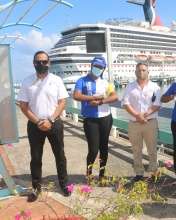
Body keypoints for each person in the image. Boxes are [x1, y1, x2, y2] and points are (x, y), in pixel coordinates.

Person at [17, 51, 71, 202]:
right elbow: (23, 105)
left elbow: (62, 102)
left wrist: (51, 120)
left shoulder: (57, 80)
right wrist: (37, 122)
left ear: (49, 63)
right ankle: (36, 188)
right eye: (38, 62)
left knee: (60, 155)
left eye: (44, 62)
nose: (41, 64)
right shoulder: (27, 81)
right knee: (35, 157)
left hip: (54, 123)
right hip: (35, 124)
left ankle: (64, 184)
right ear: (34, 63)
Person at [73, 56, 118, 184]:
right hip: (90, 119)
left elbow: (114, 96)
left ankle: (102, 175)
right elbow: (76, 95)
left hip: (105, 118)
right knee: (93, 149)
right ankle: (89, 173)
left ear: (103, 69)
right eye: (96, 66)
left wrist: (100, 101)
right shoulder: (82, 80)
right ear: (91, 65)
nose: (97, 69)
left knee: (104, 148)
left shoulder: (105, 83)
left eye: (100, 67)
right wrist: (92, 98)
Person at [121, 63, 162, 182]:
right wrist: (137, 116)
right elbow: (125, 103)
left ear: (148, 72)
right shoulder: (129, 86)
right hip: (134, 123)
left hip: (150, 122)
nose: (141, 72)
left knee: (152, 150)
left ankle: (153, 172)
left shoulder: (155, 87)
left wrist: (144, 115)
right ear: (135, 72)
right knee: (136, 150)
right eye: (139, 70)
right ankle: (139, 173)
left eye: (144, 70)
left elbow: (157, 104)